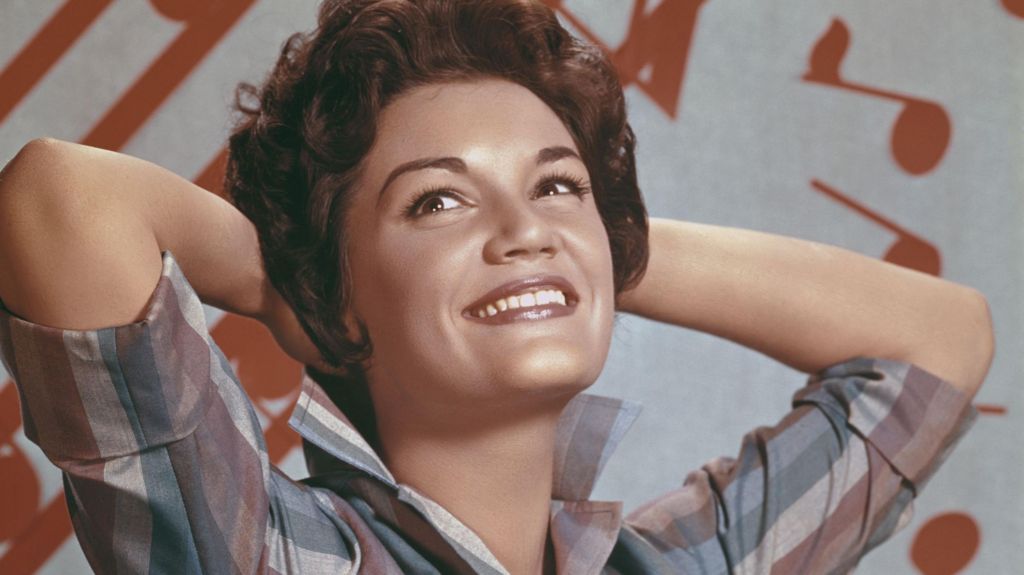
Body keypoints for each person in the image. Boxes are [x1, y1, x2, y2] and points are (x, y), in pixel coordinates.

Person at [0, 0, 993, 573]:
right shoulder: (273, 553)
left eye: (555, 182)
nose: (524, 229)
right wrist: (289, 282)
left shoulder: (675, 564)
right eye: (438, 203)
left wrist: (595, 244)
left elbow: (939, 341)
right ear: (342, 301)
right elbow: (61, 200)